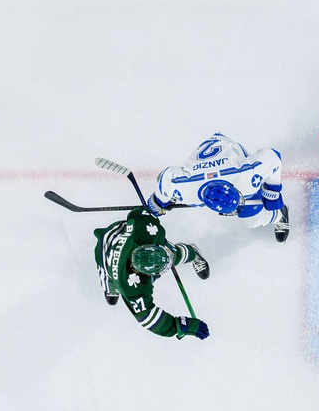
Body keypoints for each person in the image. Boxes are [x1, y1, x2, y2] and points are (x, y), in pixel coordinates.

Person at [146, 133, 290, 242]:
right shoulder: (185, 189)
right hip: (213, 159)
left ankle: (279, 214)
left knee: (251, 219)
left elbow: (273, 157)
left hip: (231, 150)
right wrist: (159, 201)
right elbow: (165, 178)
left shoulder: (244, 175)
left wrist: (272, 193)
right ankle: (276, 213)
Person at [94, 207, 211, 341]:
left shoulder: (148, 233)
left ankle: (193, 252)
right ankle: (111, 287)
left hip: (122, 235)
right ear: (143, 273)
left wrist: (155, 206)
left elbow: (137, 213)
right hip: (105, 250)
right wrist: (180, 326)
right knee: (108, 276)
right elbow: (148, 318)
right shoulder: (131, 287)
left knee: (173, 255)